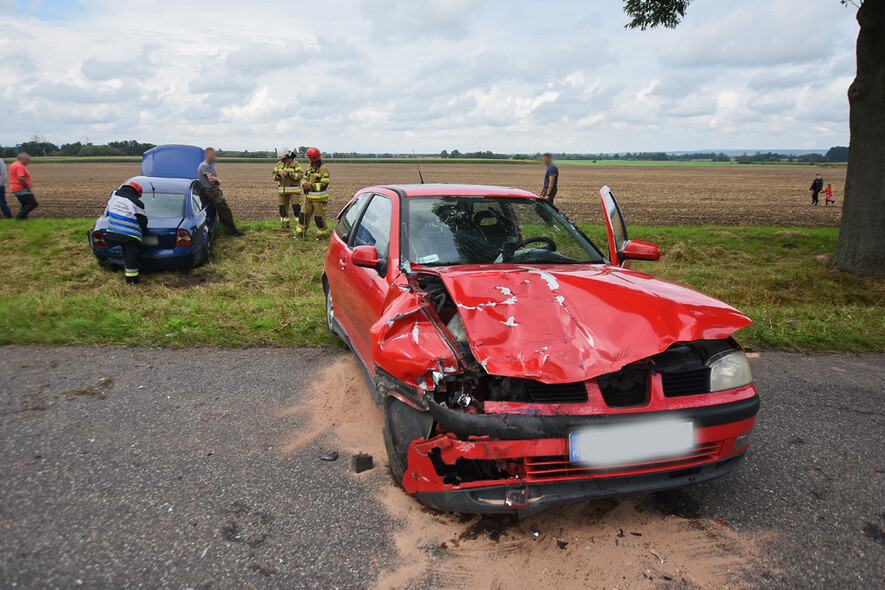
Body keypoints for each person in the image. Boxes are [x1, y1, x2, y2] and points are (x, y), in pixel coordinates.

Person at [104, 181, 148, 284]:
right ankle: (132, 281)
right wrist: (144, 230)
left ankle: (127, 273)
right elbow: (143, 221)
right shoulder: (136, 203)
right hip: (130, 234)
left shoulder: (114, 195)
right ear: (136, 193)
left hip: (113, 231)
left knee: (126, 254)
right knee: (131, 257)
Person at [197, 148, 245, 237]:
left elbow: (217, 179)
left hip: (215, 191)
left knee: (223, 211)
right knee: (225, 211)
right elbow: (212, 180)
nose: (213, 156)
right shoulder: (205, 166)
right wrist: (217, 180)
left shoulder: (210, 166)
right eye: (211, 154)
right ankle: (232, 231)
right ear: (207, 155)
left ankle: (231, 230)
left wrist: (217, 180)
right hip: (212, 192)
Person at [297, 148, 331, 239]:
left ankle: (321, 236)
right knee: (303, 216)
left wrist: (311, 187)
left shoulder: (324, 169)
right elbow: (304, 178)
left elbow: (324, 184)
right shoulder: (309, 168)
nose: (308, 160)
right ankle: (300, 233)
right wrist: (304, 184)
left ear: (313, 158)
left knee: (319, 218)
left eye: (309, 158)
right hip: (308, 199)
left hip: (319, 200)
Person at [272, 150, 304, 229]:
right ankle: (285, 225)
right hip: (282, 192)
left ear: (287, 156)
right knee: (282, 209)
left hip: (294, 191)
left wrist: (289, 174)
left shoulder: (295, 164)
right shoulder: (279, 164)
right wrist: (276, 177)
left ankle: (299, 226)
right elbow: (273, 174)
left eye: (283, 157)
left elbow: (300, 176)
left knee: (296, 209)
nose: (281, 159)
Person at [9, 153, 38, 219]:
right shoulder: (20, 166)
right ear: (22, 159)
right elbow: (21, 178)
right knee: (32, 203)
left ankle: (23, 218)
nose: (28, 162)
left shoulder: (13, 164)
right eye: (27, 160)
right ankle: (20, 217)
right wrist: (27, 187)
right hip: (21, 188)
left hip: (15, 188)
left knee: (25, 204)